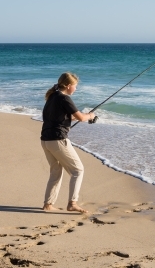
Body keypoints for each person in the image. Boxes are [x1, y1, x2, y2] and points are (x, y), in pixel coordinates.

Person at [40, 72, 95, 213]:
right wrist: (90, 116)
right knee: (78, 170)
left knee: (55, 172)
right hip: (58, 140)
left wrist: (81, 117)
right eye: (75, 86)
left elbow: (63, 117)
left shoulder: (52, 97)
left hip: (46, 140)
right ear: (69, 86)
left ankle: (48, 204)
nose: (76, 88)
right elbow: (81, 118)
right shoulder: (65, 99)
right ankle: (72, 203)